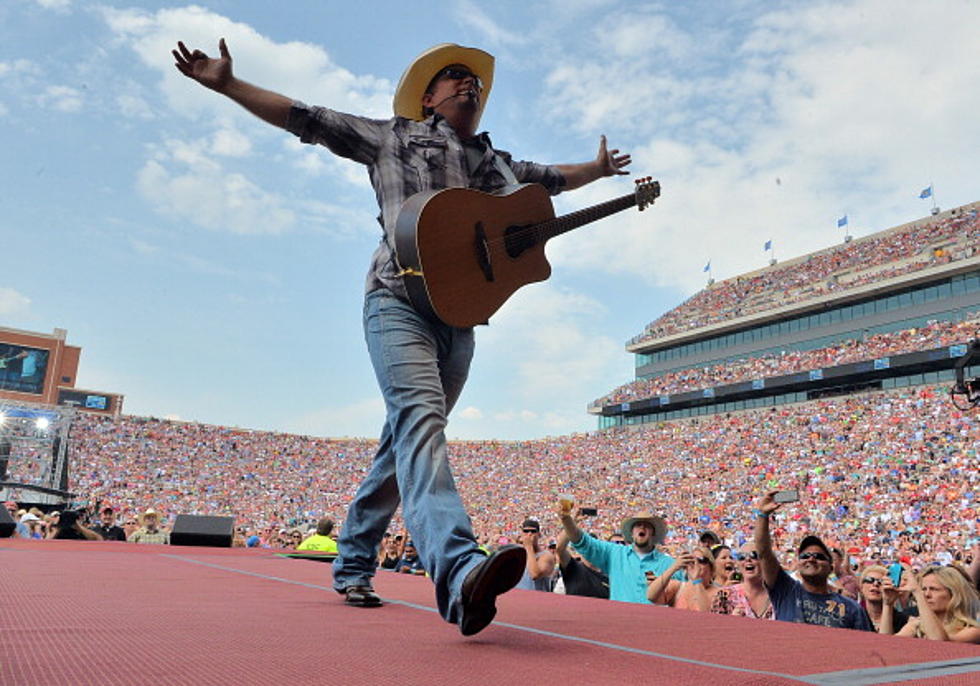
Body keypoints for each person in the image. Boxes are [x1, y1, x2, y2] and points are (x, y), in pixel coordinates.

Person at [173, 38, 630, 636]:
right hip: (396, 301)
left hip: (461, 316)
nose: (470, 84)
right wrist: (229, 84)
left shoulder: (498, 164)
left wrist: (596, 171)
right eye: (455, 77)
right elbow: (306, 119)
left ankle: (354, 559)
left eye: (477, 81)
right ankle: (461, 571)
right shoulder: (391, 137)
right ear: (428, 98)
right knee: (420, 421)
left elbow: (552, 181)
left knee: (403, 443)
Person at [754, 491, 872, 630]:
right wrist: (763, 515)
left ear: (831, 567)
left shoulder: (852, 608)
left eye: (819, 557)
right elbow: (764, 553)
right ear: (798, 563)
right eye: (805, 556)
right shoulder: (786, 590)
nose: (811, 559)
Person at [560, 503, 678, 604]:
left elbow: (689, 588)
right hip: (619, 624)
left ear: (653, 533)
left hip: (654, 624)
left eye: (647, 526)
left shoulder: (669, 564)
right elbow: (581, 541)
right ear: (631, 533)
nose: (642, 527)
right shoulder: (615, 553)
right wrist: (567, 520)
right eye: (637, 525)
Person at [886, 566, 980, 642]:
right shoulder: (917, 625)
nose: (926, 595)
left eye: (934, 589)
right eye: (924, 589)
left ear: (953, 594)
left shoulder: (973, 629)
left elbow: (940, 644)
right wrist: (887, 605)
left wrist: (918, 593)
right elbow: (886, 645)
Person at [711, 542, 774, 619]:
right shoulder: (724, 596)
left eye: (754, 555)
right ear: (737, 563)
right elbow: (714, 627)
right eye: (741, 557)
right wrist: (731, 620)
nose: (747, 559)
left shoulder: (780, 596)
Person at [646, 546, 720, 611]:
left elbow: (706, 615)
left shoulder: (720, 592)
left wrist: (697, 580)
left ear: (711, 568)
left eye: (701, 560)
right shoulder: (678, 587)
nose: (696, 563)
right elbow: (651, 596)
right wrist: (674, 567)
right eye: (691, 560)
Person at [552, 530, 609, 599]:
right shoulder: (573, 568)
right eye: (585, 547)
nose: (589, 551)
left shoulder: (608, 576)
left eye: (593, 548)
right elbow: (560, 549)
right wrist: (569, 524)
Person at [858, 565, 909, 633]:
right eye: (869, 580)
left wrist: (888, 604)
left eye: (881, 581)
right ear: (861, 587)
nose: (875, 584)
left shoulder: (902, 620)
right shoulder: (854, 616)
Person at [516, 518, 556, 592]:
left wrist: (529, 547)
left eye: (533, 531)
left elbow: (534, 574)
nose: (529, 534)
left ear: (539, 534)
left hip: (537, 599)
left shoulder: (546, 556)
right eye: (526, 531)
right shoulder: (517, 554)